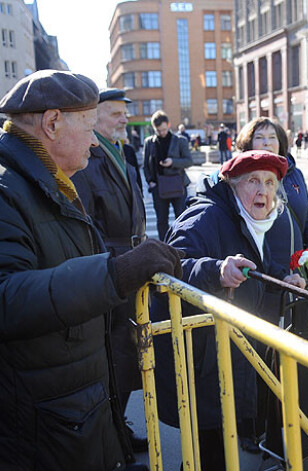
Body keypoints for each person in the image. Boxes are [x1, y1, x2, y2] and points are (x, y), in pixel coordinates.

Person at [0, 70, 182, 471]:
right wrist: (114, 274)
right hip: (43, 425)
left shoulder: (46, 180)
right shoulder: (8, 189)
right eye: (88, 127)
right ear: (52, 124)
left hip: (68, 415)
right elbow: (7, 297)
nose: (95, 140)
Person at [152, 150, 305, 471]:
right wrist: (216, 270)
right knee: (210, 451)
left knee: (220, 448)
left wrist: (284, 279)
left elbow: (257, 262)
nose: (263, 190)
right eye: (253, 181)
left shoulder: (245, 218)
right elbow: (172, 265)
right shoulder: (206, 216)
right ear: (232, 184)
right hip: (204, 358)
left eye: (270, 182)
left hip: (228, 355)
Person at [234, 117, 308, 451]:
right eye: (260, 137)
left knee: (295, 348)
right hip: (262, 278)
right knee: (258, 354)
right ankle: (252, 426)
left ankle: (295, 420)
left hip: (297, 278)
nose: (267, 141)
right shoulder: (241, 178)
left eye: (273, 137)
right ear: (247, 142)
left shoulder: (295, 174)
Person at [70, 88, 148, 453]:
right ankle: (115, 435)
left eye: (124, 113)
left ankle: (119, 427)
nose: (124, 120)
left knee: (125, 354)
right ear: (95, 117)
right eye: (115, 114)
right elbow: (86, 223)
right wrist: (115, 262)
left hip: (126, 265)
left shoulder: (120, 153)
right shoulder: (87, 157)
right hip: (111, 268)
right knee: (113, 356)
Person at [143, 109, 193, 240]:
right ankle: (164, 248)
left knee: (182, 218)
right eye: (158, 130)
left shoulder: (180, 140)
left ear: (169, 125)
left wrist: (173, 162)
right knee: (161, 221)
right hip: (158, 187)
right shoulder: (149, 142)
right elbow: (145, 165)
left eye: (164, 129)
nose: (162, 133)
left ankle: (184, 246)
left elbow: (189, 161)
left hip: (178, 185)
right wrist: (150, 182)